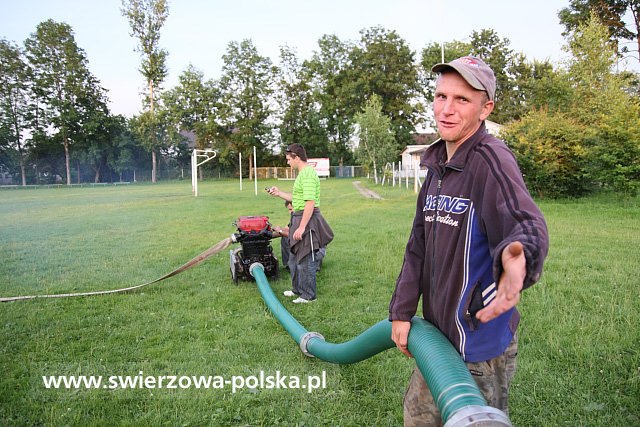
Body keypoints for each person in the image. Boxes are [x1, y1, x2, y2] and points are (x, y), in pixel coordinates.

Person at [388, 56, 549, 425]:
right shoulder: (436, 168)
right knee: (417, 415)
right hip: (438, 338)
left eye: (461, 99)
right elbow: (418, 246)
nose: (446, 110)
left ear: (485, 108)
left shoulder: (491, 159)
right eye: (441, 96)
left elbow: (523, 220)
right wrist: (401, 310)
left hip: (478, 343)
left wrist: (518, 255)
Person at [267, 143, 333, 303]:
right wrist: (279, 193)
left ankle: (309, 296)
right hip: (297, 217)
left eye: (288, 159)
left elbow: (310, 202)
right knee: (294, 258)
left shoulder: (308, 174)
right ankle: (297, 290)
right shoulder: (302, 174)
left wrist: (302, 227)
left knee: (305, 259)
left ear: (296, 157)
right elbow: (297, 199)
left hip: (306, 219)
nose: (287, 162)